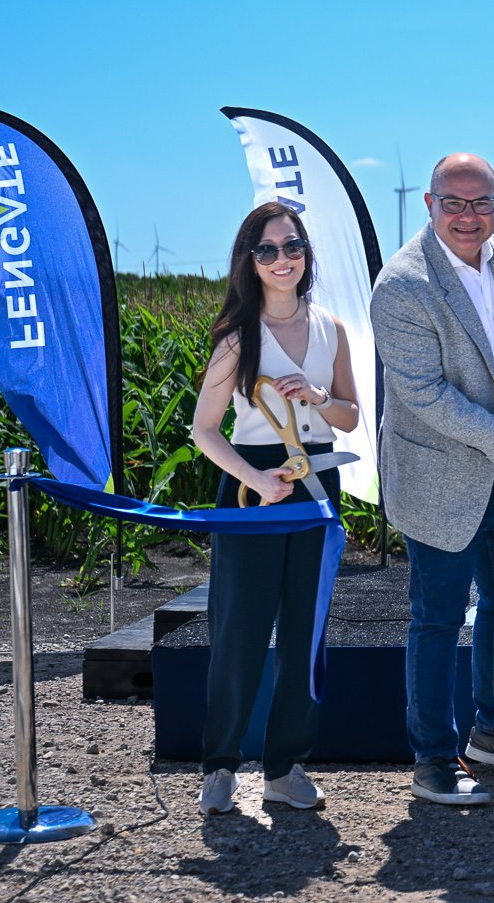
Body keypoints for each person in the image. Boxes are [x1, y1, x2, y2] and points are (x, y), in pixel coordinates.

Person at [370, 153, 494, 807]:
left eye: (481, 202)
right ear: (429, 204)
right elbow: (425, 394)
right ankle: (432, 758)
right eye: (453, 203)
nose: (468, 216)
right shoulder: (400, 286)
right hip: (438, 473)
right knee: (438, 616)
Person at [189, 202, 362, 815]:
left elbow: (349, 416)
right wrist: (255, 480)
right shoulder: (239, 338)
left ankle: (285, 768)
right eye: (268, 251)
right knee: (239, 629)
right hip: (252, 493)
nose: (282, 259)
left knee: (303, 632)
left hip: (315, 491)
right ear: (251, 262)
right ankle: (220, 767)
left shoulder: (331, 329)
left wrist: (318, 395)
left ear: (306, 254)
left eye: (292, 247)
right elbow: (204, 430)